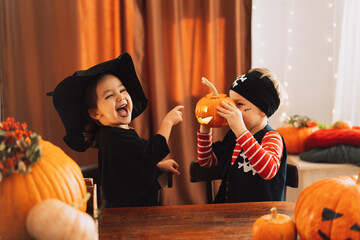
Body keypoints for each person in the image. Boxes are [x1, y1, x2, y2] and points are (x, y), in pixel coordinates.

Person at [49, 52, 183, 207]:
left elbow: (131, 164)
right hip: (127, 215)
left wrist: (156, 167)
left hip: (136, 211)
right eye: (109, 96)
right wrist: (167, 123)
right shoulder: (115, 137)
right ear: (96, 113)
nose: (121, 97)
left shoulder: (116, 134)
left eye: (122, 90)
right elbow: (148, 154)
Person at [197, 68, 287, 203]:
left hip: (260, 216)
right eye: (231, 103)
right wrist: (205, 128)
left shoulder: (272, 137)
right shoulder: (234, 137)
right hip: (230, 213)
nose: (232, 109)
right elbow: (206, 161)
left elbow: (268, 170)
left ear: (263, 109)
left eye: (239, 104)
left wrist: (240, 131)